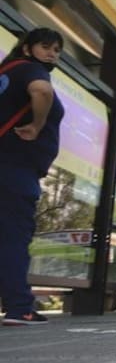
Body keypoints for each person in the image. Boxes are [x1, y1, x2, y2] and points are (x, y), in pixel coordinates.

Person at [0, 28, 65, 326]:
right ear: (27, 48)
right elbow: (42, 91)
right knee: (13, 237)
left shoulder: (5, 74)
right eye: (46, 46)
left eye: (57, 49)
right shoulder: (31, 70)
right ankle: (19, 308)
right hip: (15, 168)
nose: (52, 54)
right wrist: (38, 126)